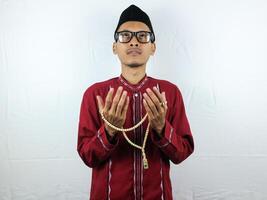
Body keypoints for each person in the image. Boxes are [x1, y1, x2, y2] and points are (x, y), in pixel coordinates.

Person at [77, 4, 194, 200]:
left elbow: (182, 153)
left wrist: (161, 128)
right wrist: (109, 131)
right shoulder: (95, 94)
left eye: (142, 36)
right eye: (125, 36)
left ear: (153, 47)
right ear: (115, 47)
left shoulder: (169, 93)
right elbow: (87, 156)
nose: (133, 42)